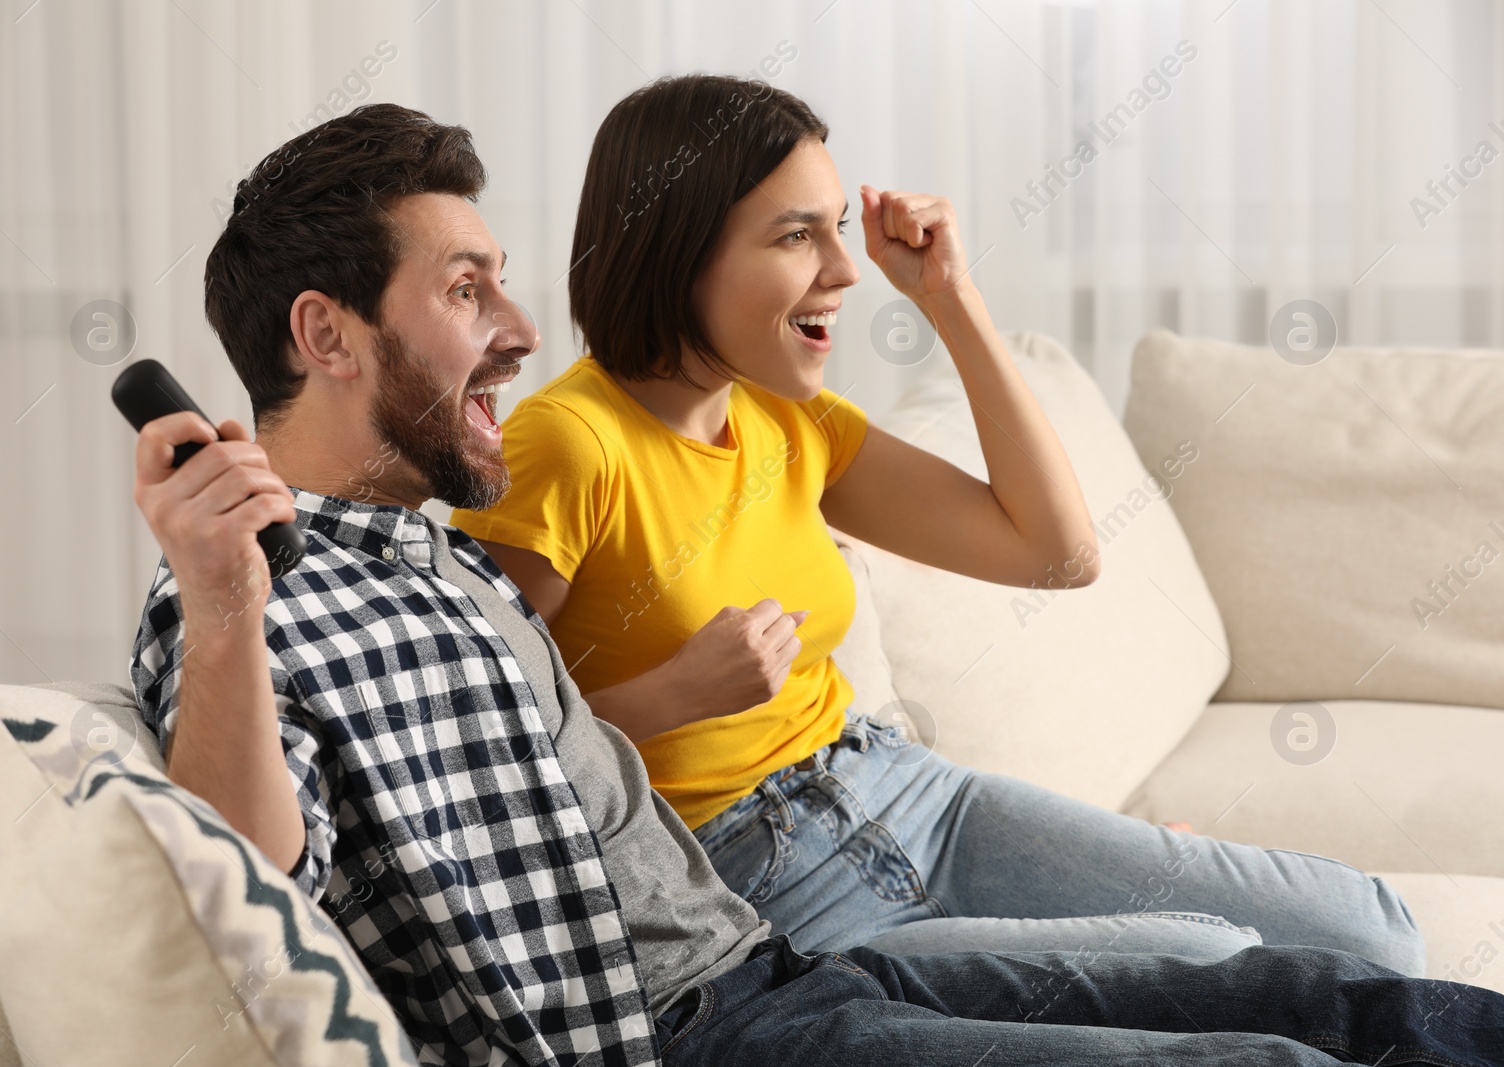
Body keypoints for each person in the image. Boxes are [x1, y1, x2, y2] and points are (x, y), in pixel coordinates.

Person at [127, 102, 1504, 1066]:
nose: (519, 324)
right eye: (469, 285)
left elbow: (1057, 550)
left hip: (773, 957)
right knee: (1255, 1042)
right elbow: (241, 876)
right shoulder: (249, 596)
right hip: (703, 1021)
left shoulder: (441, 553)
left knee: (1306, 980)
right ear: (328, 334)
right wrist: (226, 598)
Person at [448, 74, 1425, 971]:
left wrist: (950, 298)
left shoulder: (790, 420)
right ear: (679, 250)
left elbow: (1057, 552)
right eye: (796, 236)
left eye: (838, 227)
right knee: (1230, 964)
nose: (844, 267)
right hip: (760, 875)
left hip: (908, 790)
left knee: (1365, 928)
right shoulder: (566, 446)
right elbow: (467, 748)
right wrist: (673, 693)